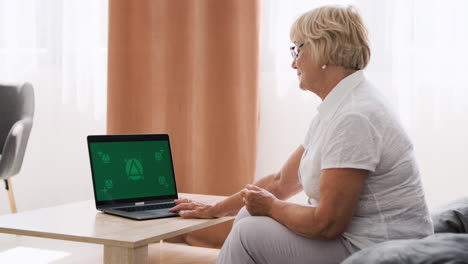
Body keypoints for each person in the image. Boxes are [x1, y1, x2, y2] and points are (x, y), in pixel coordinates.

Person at [170, 5, 433, 264]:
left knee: (248, 234)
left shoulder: (355, 116)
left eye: (298, 49)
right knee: (249, 219)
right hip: (362, 240)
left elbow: (327, 224)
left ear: (325, 48)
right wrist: (215, 210)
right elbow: (281, 182)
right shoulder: (338, 108)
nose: (293, 62)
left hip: (381, 250)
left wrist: (271, 207)